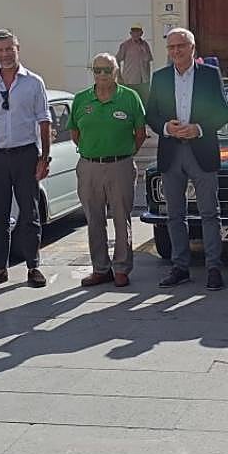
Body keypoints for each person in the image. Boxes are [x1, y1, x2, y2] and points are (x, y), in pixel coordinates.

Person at [145, 27, 228, 290]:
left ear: (192, 48)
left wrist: (199, 128)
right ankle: (180, 266)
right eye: (171, 47)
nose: (175, 52)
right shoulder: (159, 77)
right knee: (174, 214)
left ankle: (213, 267)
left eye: (180, 46)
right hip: (171, 152)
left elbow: (222, 112)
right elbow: (151, 114)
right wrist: (167, 128)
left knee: (209, 212)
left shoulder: (209, 75)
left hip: (201, 150)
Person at [0, 29, 52, 289]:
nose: (5, 54)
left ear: (18, 48)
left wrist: (44, 157)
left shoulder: (33, 82)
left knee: (29, 214)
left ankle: (33, 267)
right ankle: (0, 268)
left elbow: (44, 120)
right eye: (0, 50)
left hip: (25, 154)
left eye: (9, 49)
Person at [70, 52, 147, 288]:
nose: (102, 74)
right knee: (94, 220)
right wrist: (94, 151)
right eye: (97, 70)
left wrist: (122, 154)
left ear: (116, 72)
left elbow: (140, 134)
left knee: (122, 218)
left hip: (120, 165)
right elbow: (75, 133)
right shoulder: (81, 99)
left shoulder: (130, 97)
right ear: (92, 72)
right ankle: (100, 269)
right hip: (89, 167)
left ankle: (122, 268)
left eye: (107, 70)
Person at [116, 24, 154, 107]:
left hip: (144, 81)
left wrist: (143, 50)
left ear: (142, 33)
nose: (136, 34)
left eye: (138, 32)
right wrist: (119, 76)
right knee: (129, 104)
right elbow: (117, 60)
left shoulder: (145, 45)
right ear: (130, 33)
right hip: (130, 81)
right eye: (134, 32)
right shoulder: (125, 45)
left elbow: (149, 59)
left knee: (144, 104)